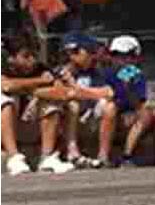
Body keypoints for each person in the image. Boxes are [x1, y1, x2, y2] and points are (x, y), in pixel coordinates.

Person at [3, 25, 68, 174]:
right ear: (12, 58)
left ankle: (47, 157)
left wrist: (35, 93)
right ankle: (13, 157)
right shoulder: (4, 67)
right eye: (26, 56)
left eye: (34, 55)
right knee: (5, 101)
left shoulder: (41, 69)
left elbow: (61, 93)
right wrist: (39, 82)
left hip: (31, 124)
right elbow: (5, 86)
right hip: (9, 124)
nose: (32, 60)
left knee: (50, 103)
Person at [51, 35, 119, 168]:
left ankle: (103, 156)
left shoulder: (99, 72)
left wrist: (78, 90)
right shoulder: (58, 73)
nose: (71, 57)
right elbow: (61, 94)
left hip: (91, 117)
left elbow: (109, 93)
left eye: (76, 52)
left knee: (109, 106)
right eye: (67, 53)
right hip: (67, 119)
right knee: (72, 104)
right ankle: (72, 151)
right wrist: (76, 90)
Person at [100, 33, 155, 165]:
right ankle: (103, 156)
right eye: (117, 55)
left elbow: (138, 103)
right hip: (106, 112)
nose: (122, 60)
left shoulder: (137, 75)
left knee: (153, 113)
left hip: (130, 112)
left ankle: (129, 155)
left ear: (136, 58)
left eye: (128, 55)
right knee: (110, 108)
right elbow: (105, 97)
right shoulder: (106, 74)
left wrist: (128, 87)